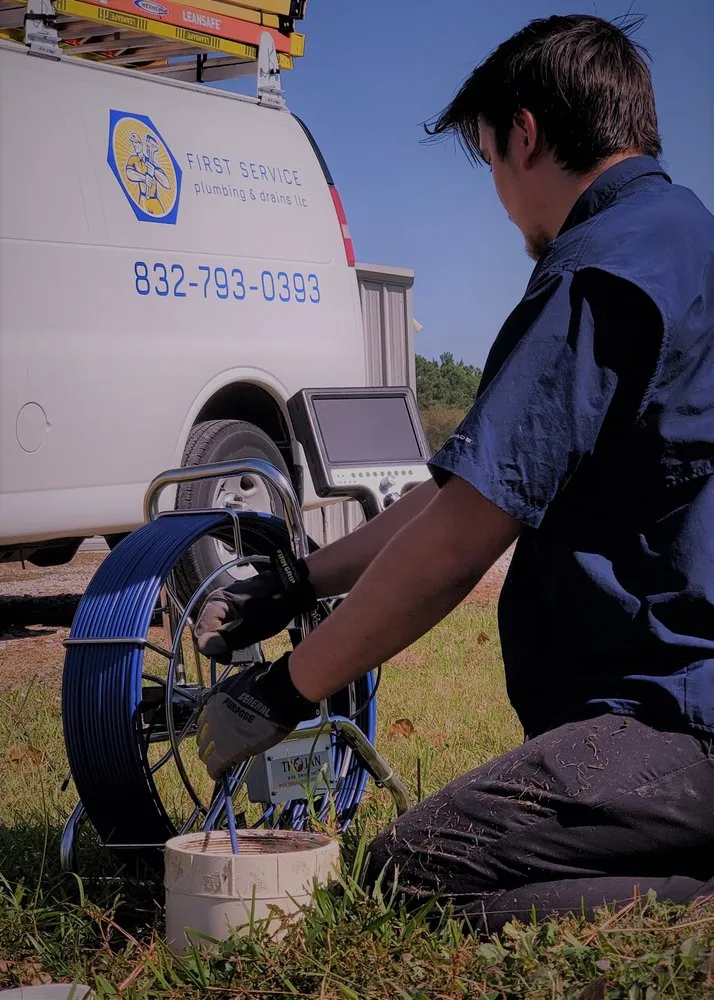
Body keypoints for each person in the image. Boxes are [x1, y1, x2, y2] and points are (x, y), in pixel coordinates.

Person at [193, 14, 714, 934]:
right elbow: (463, 491)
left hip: (679, 727)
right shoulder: (681, 240)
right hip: (685, 721)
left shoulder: (595, 274)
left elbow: (460, 542)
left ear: (525, 134)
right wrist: (303, 581)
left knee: (411, 871)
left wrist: (283, 690)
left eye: (490, 163)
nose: (502, 202)